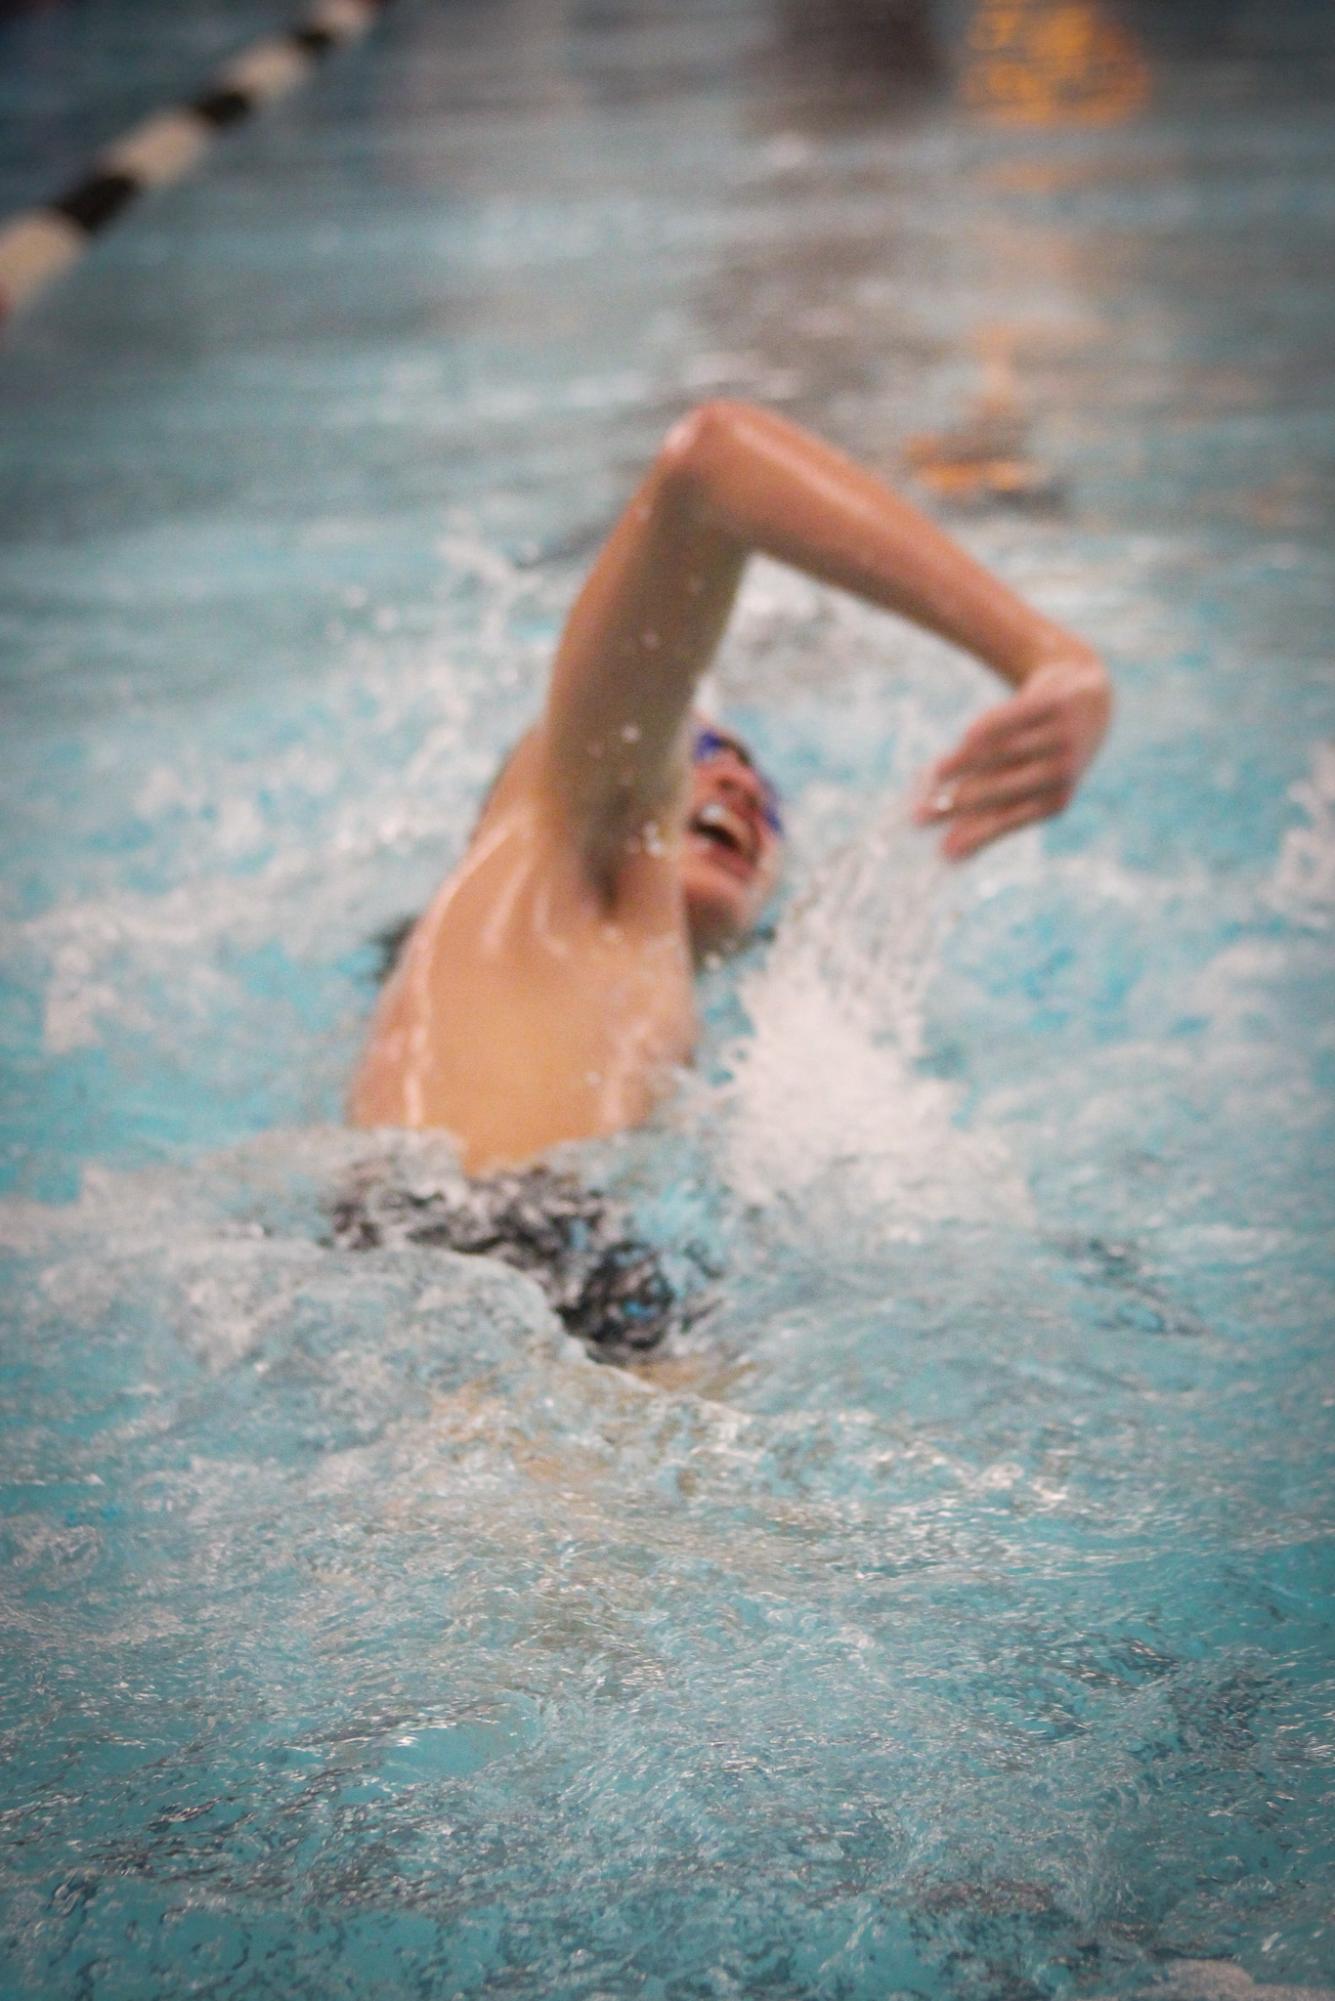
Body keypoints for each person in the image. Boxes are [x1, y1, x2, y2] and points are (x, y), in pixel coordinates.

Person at [350, 400, 1111, 1177]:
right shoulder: (563, 849)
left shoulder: (666, 1038)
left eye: (766, 793)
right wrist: (1047, 654)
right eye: (701, 750)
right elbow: (714, 462)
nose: (739, 784)